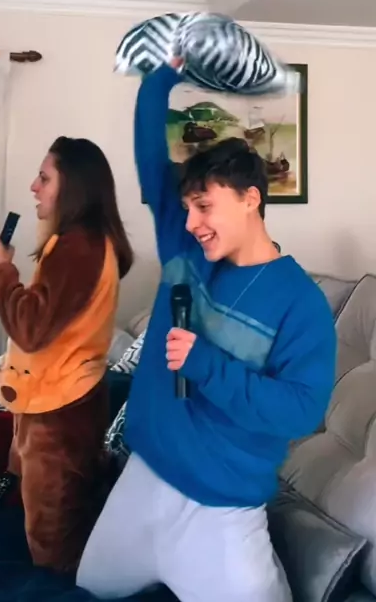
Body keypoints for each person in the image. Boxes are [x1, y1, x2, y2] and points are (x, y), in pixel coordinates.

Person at [76, 63, 336, 602]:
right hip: (142, 481)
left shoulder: (301, 303)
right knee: (85, 591)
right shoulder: (185, 251)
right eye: (187, 208)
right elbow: (151, 159)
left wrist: (207, 366)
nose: (192, 221)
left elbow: (300, 411)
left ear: (251, 198)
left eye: (204, 206)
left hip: (220, 512)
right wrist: (161, 78)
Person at [0, 136, 133, 572]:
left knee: (55, 547)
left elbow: (30, 327)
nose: (34, 186)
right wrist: (12, 369)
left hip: (59, 415)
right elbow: (53, 330)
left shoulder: (80, 246)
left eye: (44, 178)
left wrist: (0, 271)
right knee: (50, 527)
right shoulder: (75, 242)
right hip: (52, 404)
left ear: (74, 186)